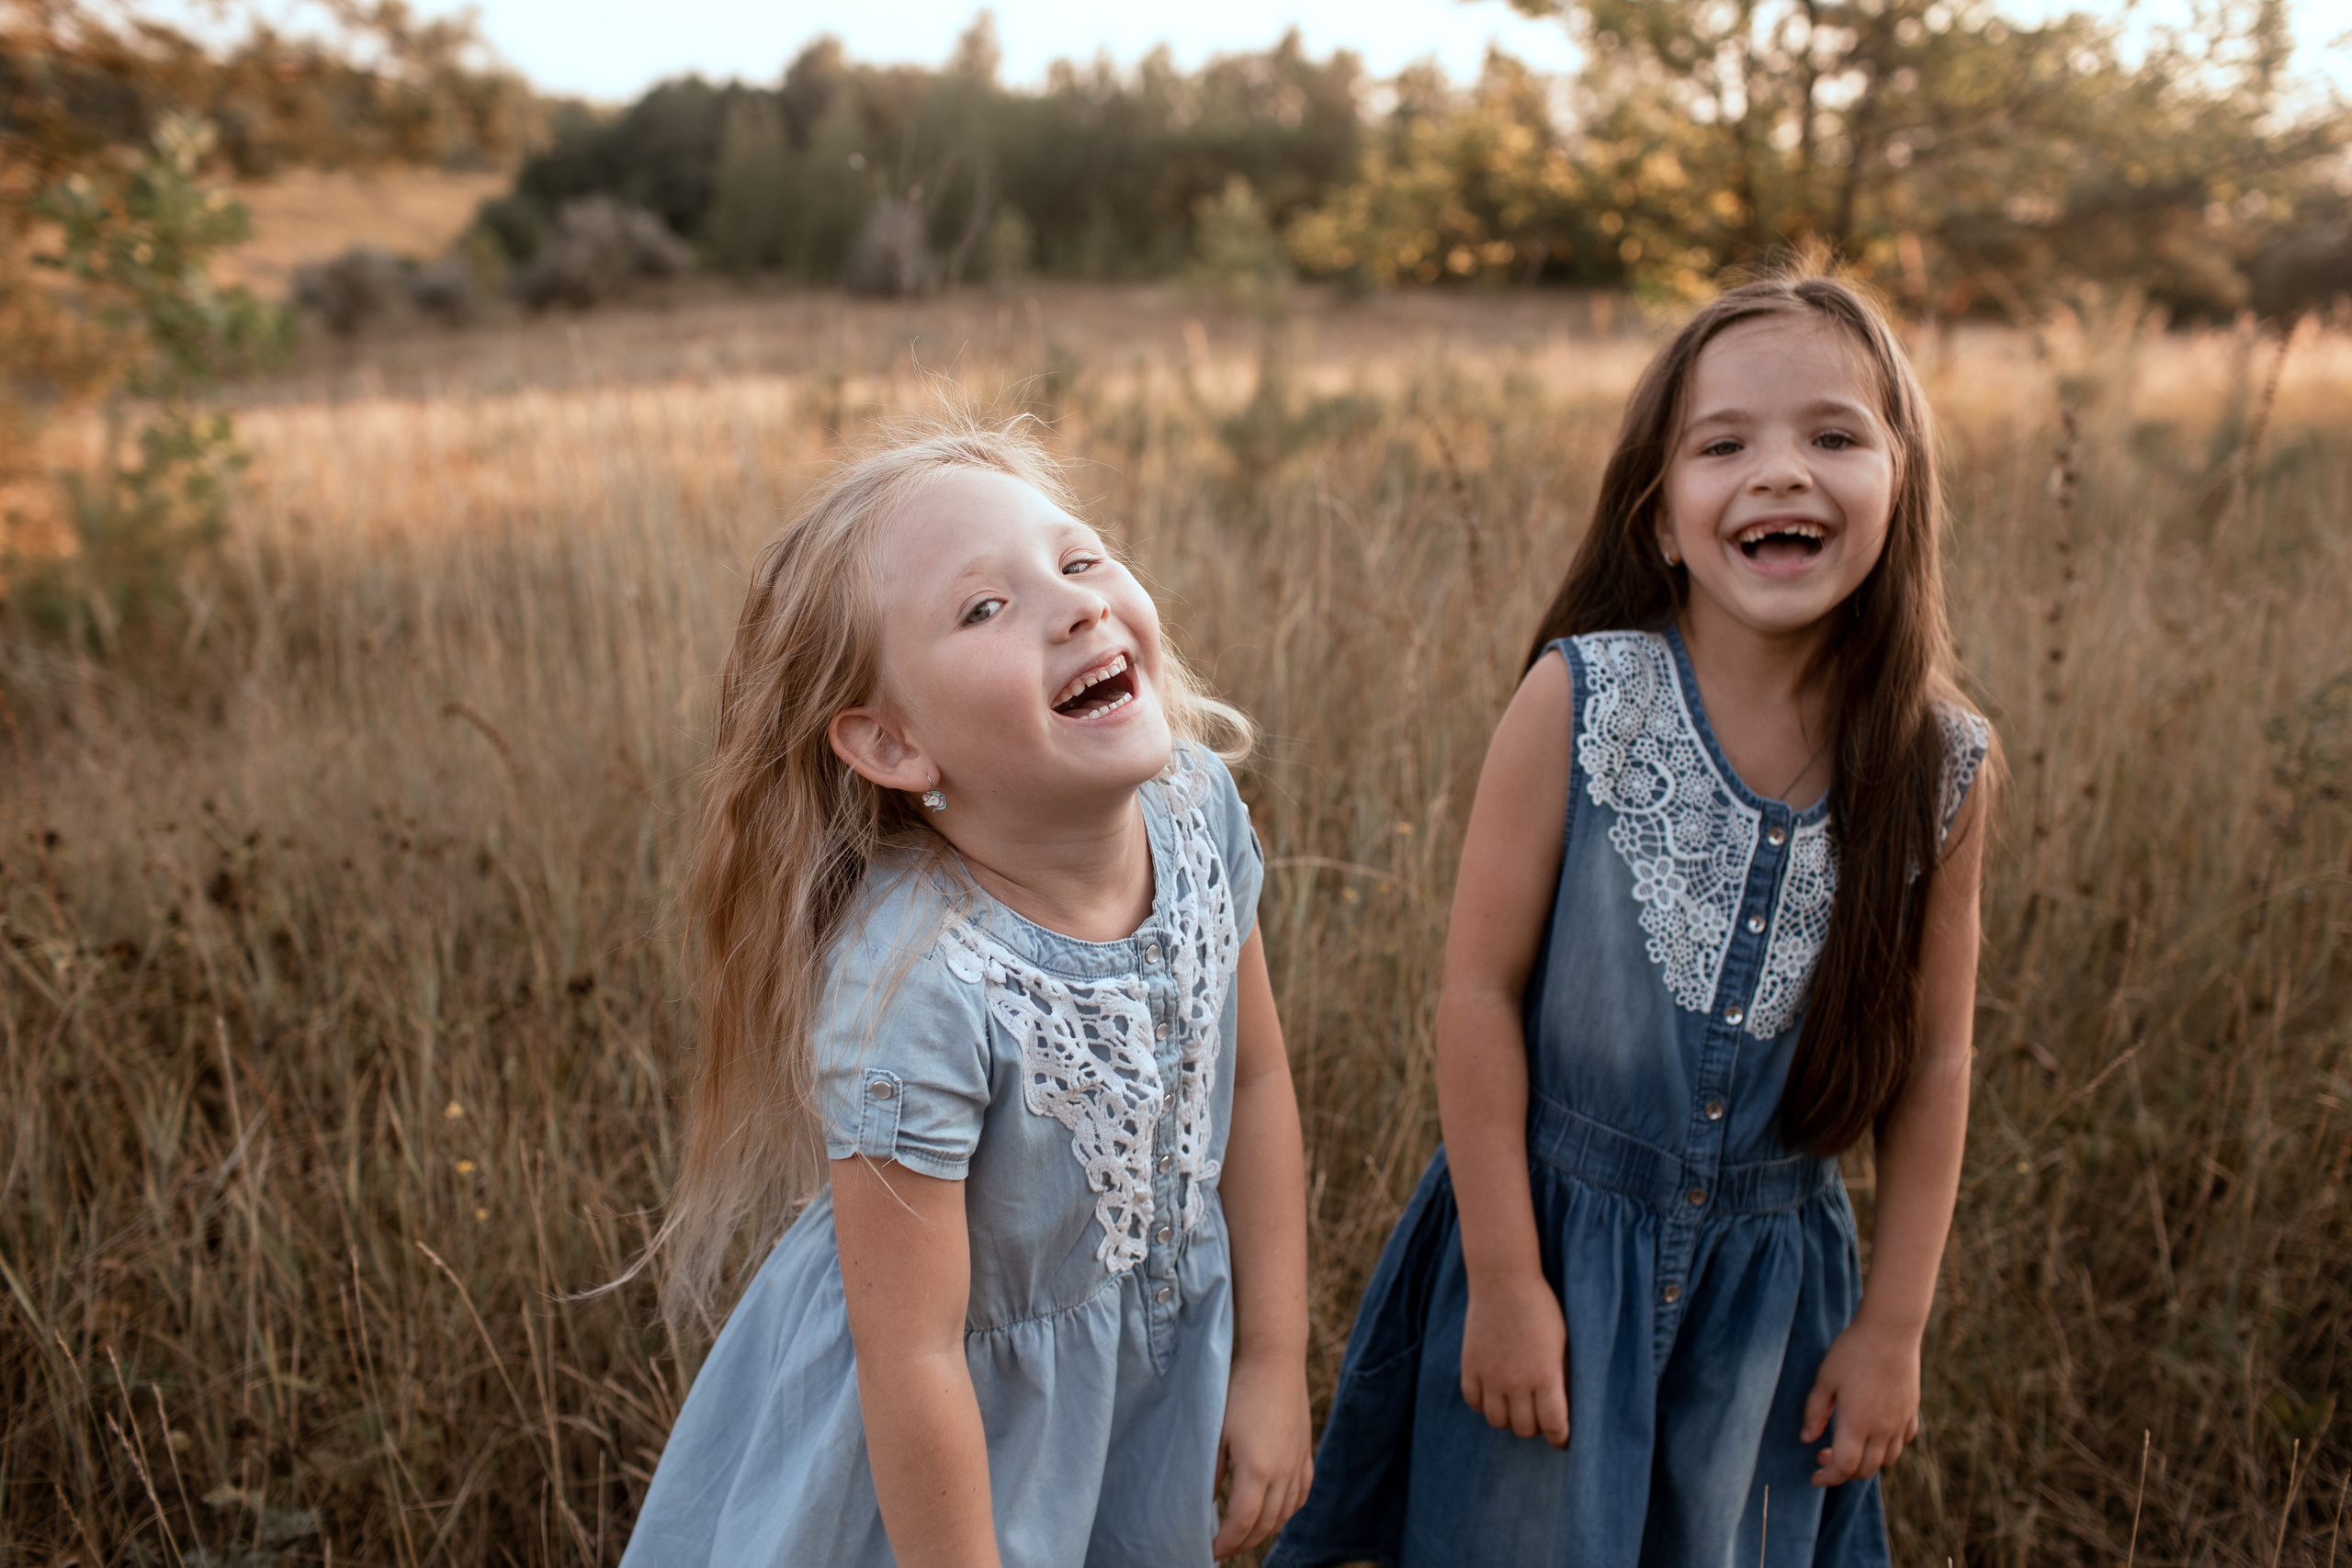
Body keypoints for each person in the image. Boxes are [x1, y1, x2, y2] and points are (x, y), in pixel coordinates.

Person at [1271, 271, 1994, 1568]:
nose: (1780, 472)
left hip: (1773, 1303)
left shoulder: (1938, 764)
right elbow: (1480, 994)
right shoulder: (1585, 701)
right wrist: (1504, 1280)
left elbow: (1938, 1057)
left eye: (1833, 435)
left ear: (1902, 483)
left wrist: (1894, 1327)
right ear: (1660, 517)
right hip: (1552, 1262)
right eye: (1723, 446)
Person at [619, 417, 1314, 1568]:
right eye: (985, 607)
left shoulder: (1195, 818)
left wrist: (1273, 1362)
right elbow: (915, 1360)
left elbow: (1254, 1080)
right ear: (892, 745)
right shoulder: (919, 985)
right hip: (936, 1469)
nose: (1076, 605)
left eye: (1079, 558)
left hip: (1131, 1401)